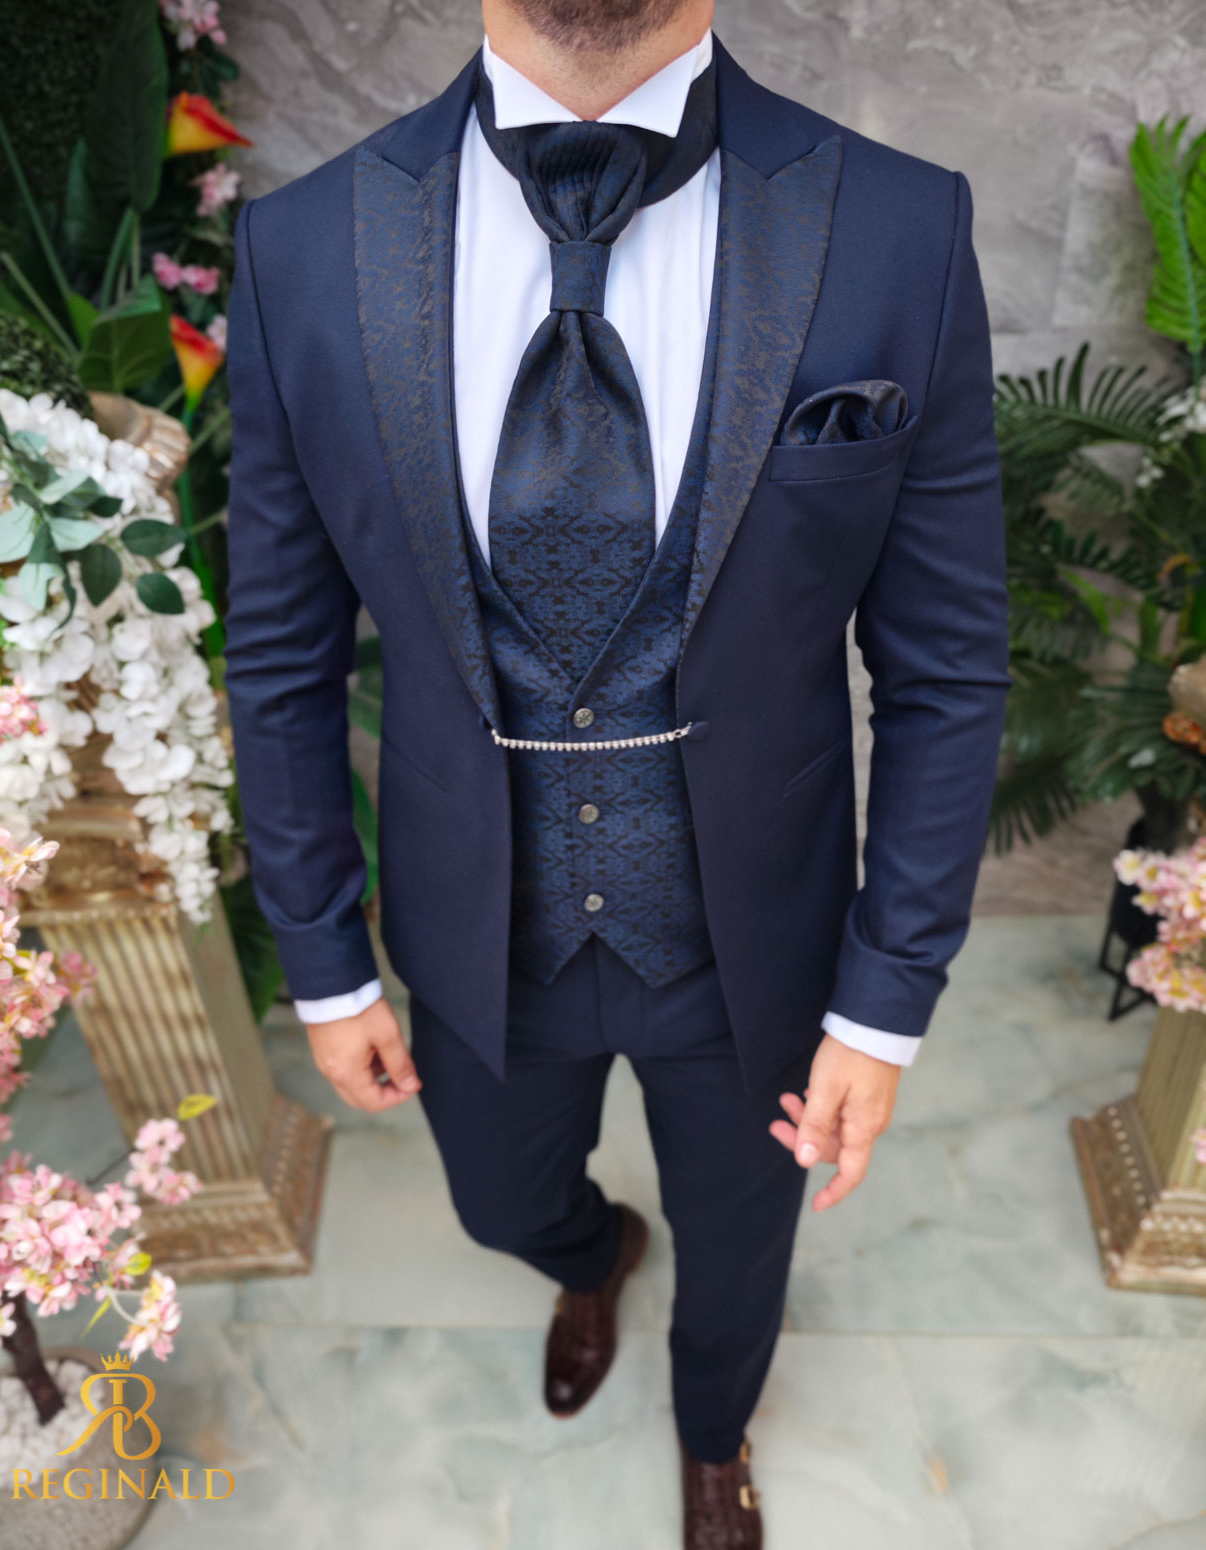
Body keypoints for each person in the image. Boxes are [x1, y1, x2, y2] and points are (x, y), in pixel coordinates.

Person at [223, 0, 1010, 1540]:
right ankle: (589, 1256)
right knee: (498, 1202)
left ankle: (714, 1435)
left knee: (745, 1247)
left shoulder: (899, 229)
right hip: (476, 926)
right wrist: (322, 958)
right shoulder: (302, 249)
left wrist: (885, 995)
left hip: (755, 940)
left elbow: (947, 668)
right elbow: (280, 654)